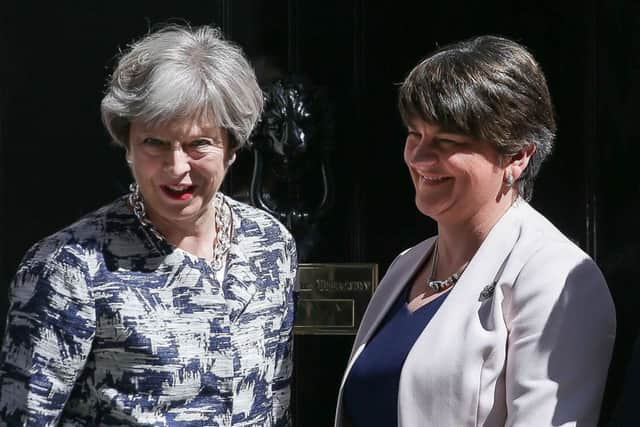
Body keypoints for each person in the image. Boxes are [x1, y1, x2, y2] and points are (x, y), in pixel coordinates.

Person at [0, 25, 297, 426]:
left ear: (232, 146)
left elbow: (276, 405)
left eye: (199, 144)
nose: (177, 168)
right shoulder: (70, 267)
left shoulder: (270, 244)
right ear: (127, 146)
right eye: (154, 143)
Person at [335, 35, 615, 426]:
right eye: (414, 134)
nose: (419, 157)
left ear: (517, 156)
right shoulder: (406, 265)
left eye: (447, 141)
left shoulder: (554, 276)